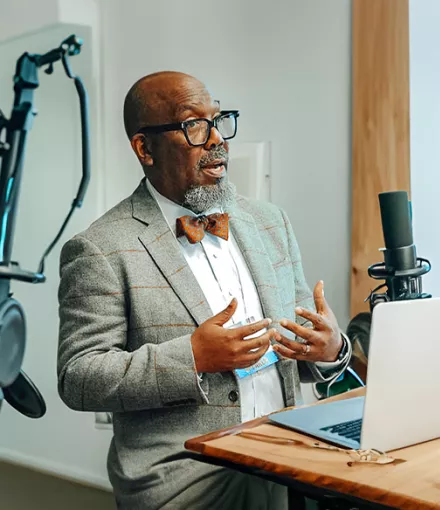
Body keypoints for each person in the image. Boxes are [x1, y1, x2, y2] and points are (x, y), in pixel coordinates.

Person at [57, 71, 352, 510]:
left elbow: (303, 345)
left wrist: (330, 349)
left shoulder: (271, 222)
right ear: (145, 148)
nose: (217, 139)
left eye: (219, 119)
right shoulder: (99, 248)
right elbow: (78, 377)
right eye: (193, 124)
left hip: (287, 467)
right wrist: (192, 357)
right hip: (188, 483)